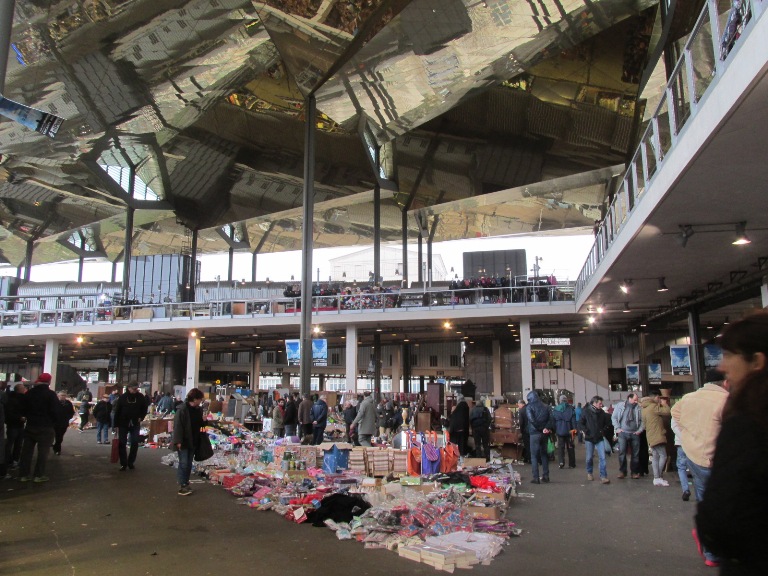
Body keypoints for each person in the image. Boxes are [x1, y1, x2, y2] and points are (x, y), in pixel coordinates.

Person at [695, 313, 768, 575]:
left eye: (728, 355)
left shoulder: (747, 424)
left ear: (757, 361)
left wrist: (708, 532)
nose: (722, 366)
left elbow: (722, 517)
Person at [671, 370, 728, 566]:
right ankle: (716, 547)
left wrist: (689, 433)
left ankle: (711, 552)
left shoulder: (688, 398)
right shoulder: (726, 400)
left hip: (694, 456)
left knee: (705, 500)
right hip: (717, 459)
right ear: (725, 382)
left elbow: (675, 413)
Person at [18, 373, 59, 483]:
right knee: (43, 453)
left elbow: (23, 408)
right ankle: (38, 475)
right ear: (49, 382)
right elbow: (56, 411)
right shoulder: (51, 395)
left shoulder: (30, 393)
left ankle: (23, 475)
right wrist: (53, 423)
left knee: (26, 452)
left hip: (31, 425)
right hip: (46, 427)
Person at [172, 388, 205, 496]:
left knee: (188, 463)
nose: (201, 401)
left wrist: (205, 421)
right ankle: (182, 485)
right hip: (184, 441)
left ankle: (185, 483)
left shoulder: (198, 410)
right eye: (200, 399)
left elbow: (199, 424)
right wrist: (178, 441)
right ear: (195, 399)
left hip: (193, 440)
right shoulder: (182, 410)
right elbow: (178, 426)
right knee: (184, 463)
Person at [112, 381, 148, 471]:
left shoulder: (140, 397)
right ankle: (123, 463)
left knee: (135, 442)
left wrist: (141, 417)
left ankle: (131, 462)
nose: (135, 390)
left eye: (136, 389)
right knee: (122, 443)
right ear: (129, 388)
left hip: (135, 423)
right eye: (133, 389)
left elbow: (144, 408)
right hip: (123, 423)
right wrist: (115, 425)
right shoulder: (123, 397)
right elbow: (117, 411)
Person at [641, 392, 671, 486]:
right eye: (658, 398)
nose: (659, 399)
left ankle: (656, 478)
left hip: (650, 435)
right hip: (658, 435)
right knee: (663, 456)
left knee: (655, 457)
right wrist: (664, 404)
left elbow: (644, 425)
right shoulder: (653, 407)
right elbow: (667, 412)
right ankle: (659, 476)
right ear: (654, 398)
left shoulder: (644, 408)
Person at [579, 395, 611, 484]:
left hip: (599, 438)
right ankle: (589, 473)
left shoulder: (602, 413)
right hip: (589, 438)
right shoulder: (586, 412)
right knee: (589, 458)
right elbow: (580, 423)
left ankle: (603, 476)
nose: (601, 405)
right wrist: (586, 431)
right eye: (600, 403)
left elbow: (607, 423)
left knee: (603, 457)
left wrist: (603, 430)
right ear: (594, 403)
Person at [612, 393, 644, 479]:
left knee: (635, 454)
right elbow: (614, 417)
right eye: (635, 399)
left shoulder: (639, 407)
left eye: (637, 400)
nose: (636, 401)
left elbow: (643, 420)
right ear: (629, 398)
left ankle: (634, 472)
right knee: (622, 452)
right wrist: (618, 428)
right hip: (623, 433)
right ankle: (622, 471)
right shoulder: (620, 406)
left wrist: (639, 431)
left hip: (635, 433)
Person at [525, 391, 554, 484]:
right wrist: (546, 428)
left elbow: (532, 420)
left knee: (534, 456)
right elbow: (551, 419)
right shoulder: (546, 406)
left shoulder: (529, 407)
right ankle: (546, 476)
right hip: (544, 434)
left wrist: (540, 428)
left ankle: (536, 478)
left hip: (534, 433)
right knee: (544, 455)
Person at [4, 383, 27, 469]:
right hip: (14, 425)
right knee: (11, 444)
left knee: (17, 444)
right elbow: (9, 412)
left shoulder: (13, 398)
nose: (24, 389)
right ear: (19, 389)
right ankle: (9, 461)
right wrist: (20, 417)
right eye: (23, 388)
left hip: (17, 424)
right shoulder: (13, 399)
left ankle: (13, 461)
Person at [552, 395, 576, 469]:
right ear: (566, 400)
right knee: (570, 447)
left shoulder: (555, 409)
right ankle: (571, 464)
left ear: (560, 400)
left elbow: (553, 421)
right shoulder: (571, 409)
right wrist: (575, 431)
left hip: (559, 431)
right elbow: (573, 422)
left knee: (561, 447)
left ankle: (561, 462)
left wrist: (554, 430)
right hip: (569, 431)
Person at [53, 391, 75, 455]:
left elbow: (72, 411)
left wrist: (69, 417)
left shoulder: (68, 403)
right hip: (56, 422)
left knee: (61, 436)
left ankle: (56, 446)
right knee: (58, 436)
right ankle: (57, 449)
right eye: (62, 395)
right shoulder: (55, 403)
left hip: (64, 422)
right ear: (58, 396)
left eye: (64, 395)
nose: (63, 397)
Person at [517, 399, 530, 463]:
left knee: (527, 445)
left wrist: (521, 431)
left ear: (522, 404)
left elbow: (521, 422)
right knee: (531, 445)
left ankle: (528, 458)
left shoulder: (521, 411)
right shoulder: (529, 408)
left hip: (525, 430)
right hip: (532, 430)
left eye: (518, 404)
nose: (518, 406)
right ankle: (531, 458)